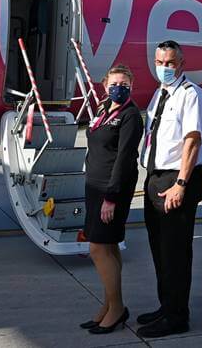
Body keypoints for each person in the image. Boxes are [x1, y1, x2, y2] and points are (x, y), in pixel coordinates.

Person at [136, 40, 202, 338]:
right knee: (159, 249)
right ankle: (166, 305)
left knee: (175, 252)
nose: (163, 68)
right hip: (155, 177)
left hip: (175, 181)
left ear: (181, 64)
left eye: (169, 63)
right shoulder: (160, 94)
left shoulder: (191, 94)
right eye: (159, 62)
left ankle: (177, 315)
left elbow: (192, 140)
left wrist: (181, 183)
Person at [79, 64, 143, 335]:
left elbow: (125, 158)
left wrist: (111, 197)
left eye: (124, 85)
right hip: (95, 187)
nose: (119, 88)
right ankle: (109, 305)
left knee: (97, 248)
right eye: (115, 83)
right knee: (109, 246)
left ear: (130, 87)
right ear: (105, 85)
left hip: (111, 189)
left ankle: (116, 309)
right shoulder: (105, 110)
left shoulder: (129, 116)